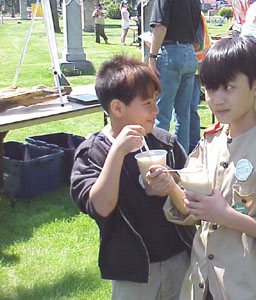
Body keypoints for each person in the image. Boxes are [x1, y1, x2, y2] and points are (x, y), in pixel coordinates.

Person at [147, 37, 256, 300]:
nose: (217, 99)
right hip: (202, 283)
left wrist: (227, 216)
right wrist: (170, 187)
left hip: (247, 287)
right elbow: (194, 209)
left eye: (228, 87)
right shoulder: (210, 141)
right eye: (210, 89)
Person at [70, 55, 195, 300]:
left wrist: (170, 186)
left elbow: (191, 206)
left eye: (156, 101)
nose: (156, 110)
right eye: (147, 103)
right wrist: (117, 152)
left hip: (180, 259)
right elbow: (102, 207)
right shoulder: (92, 153)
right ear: (117, 108)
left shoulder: (164, 143)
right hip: (133, 272)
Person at [149, 0, 201, 153]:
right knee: (183, 114)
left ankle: (160, 156)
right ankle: (181, 158)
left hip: (170, 53)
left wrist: (152, 56)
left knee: (161, 113)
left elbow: (161, 26)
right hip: (190, 54)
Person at [190, 13, 211, 152]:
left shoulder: (195, 15)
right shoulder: (196, 13)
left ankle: (193, 145)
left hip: (195, 66)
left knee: (190, 109)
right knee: (189, 109)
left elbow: (196, 43)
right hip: (196, 64)